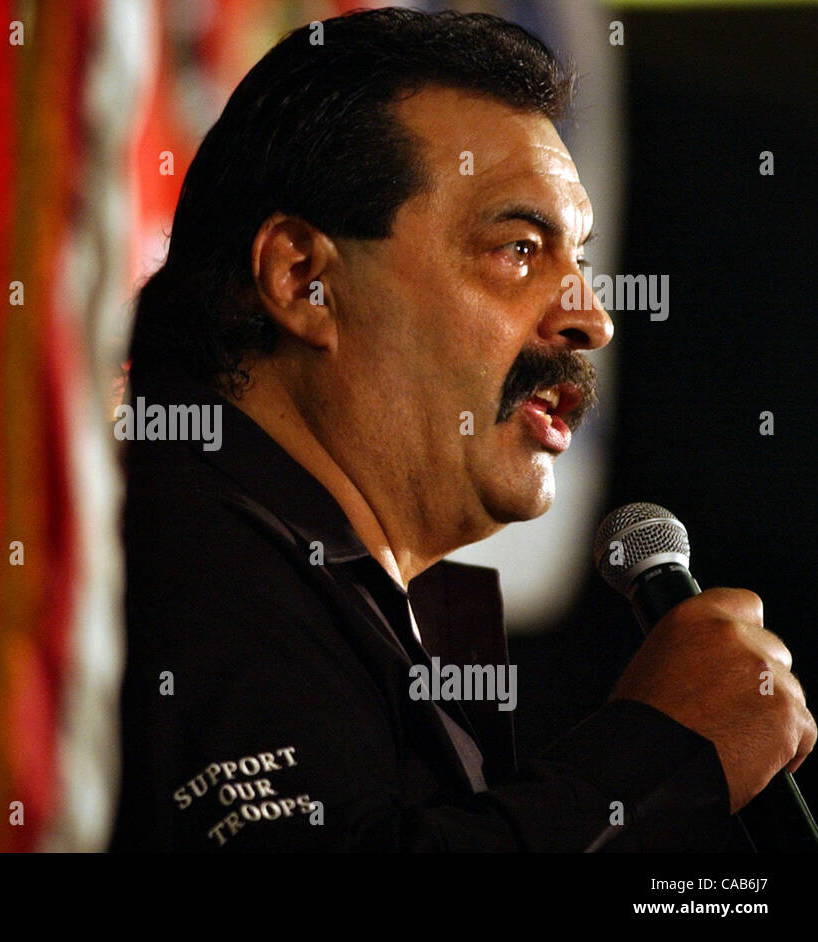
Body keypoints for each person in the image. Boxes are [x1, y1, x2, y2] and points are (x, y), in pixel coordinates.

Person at [109, 7, 814, 851]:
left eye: (578, 263)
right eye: (519, 249)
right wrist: (661, 753)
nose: (593, 321)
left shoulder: (311, 583)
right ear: (303, 280)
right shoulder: (168, 549)